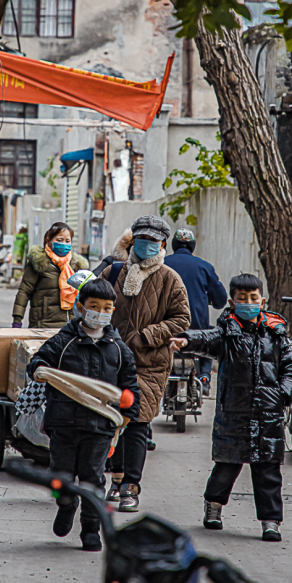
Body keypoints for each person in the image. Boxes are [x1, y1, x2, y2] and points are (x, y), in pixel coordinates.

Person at [170, 273, 292, 542]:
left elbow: (291, 368)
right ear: (231, 302)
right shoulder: (227, 332)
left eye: (253, 298)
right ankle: (213, 506)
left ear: (262, 301)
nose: (248, 303)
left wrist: (282, 395)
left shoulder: (276, 333)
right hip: (233, 413)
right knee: (226, 467)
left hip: (268, 414)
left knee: (268, 471)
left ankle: (270, 521)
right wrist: (185, 340)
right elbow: (206, 338)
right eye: (242, 299)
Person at [27, 277, 140, 551]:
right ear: (80, 307)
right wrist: (39, 370)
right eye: (93, 306)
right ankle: (65, 505)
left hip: (100, 427)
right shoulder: (64, 341)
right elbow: (38, 361)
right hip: (63, 423)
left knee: (92, 478)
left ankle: (91, 529)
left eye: (106, 307)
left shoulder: (118, 348)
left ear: (113, 310)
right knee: (60, 476)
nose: (99, 312)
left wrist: (128, 413)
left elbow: (130, 385)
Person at [103, 215, 191, 513]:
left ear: (162, 244)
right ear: (133, 241)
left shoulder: (170, 278)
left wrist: (147, 335)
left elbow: (182, 319)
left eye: (153, 240)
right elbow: (90, 302)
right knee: (114, 422)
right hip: (111, 361)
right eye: (142, 239)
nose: (147, 245)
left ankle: (131, 486)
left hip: (149, 363)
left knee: (137, 423)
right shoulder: (113, 272)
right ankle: (115, 478)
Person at [164, 227, 228, 391]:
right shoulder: (205, 267)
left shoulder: (162, 264)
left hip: (166, 328)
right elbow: (221, 300)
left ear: (173, 245)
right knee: (207, 335)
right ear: (192, 246)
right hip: (195, 328)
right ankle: (204, 378)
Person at [12, 222, 88, 329]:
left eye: (67, 241)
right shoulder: (39, 263)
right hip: (42, 326)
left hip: (70, 327)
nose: (64, 244)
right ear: (49, 240)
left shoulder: (76, 266)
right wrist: (17, 320)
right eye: (59, 240)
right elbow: (24, 292)